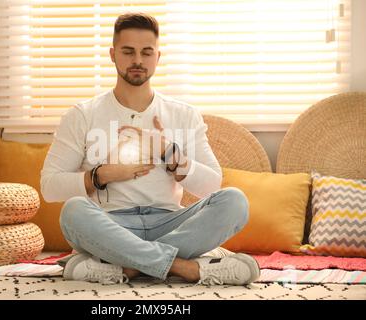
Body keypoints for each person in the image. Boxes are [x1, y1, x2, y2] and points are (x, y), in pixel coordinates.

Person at [40, 12, 260, 285]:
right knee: (73, 211)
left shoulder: (184, 114)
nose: (137, 61)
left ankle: (128, 267)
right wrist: (101, 175)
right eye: (128, 51)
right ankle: (185, 268)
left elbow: (212, 185)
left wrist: (169, 153)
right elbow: (49, 186)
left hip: (171, 223)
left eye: (146, 52)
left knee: (234, 201)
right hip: (112, 225)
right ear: (112, 54)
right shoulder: (82, 115)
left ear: (158, 56)